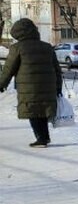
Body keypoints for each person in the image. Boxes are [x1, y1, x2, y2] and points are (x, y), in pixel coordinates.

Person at [0, 18, 62, 148]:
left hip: (29, 87)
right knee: (43, 111)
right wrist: (58, 87)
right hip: (47, 86)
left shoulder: (17, 48)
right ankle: (44, 137)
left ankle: (41, 138)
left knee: (33, 111)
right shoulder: (47, 47)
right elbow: (57, 69)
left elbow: (8, 69)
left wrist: (2, 84)